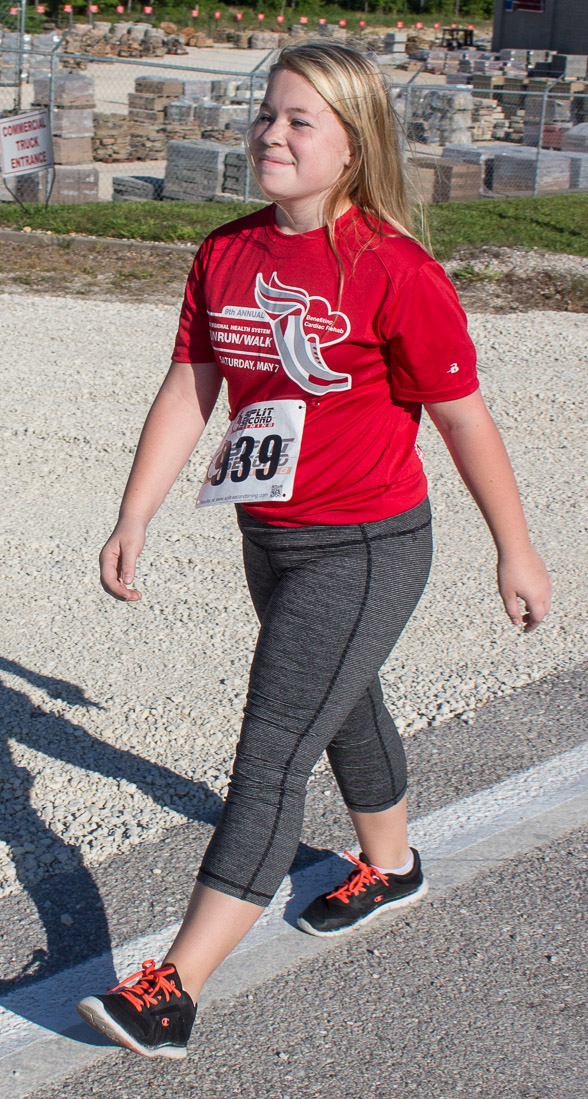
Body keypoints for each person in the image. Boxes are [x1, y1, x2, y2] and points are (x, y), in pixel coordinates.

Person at [76, 42, 552, 1060]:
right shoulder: (227, 251)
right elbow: (192, 384)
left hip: (367, 545)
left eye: (300, 120)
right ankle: (393, 864)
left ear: (353, 145)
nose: (272, 133)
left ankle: (173, 988)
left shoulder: (395, 269)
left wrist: (514, 550)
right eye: (267, 114)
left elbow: (463, 418)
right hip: (271, 536)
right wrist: (135, 512)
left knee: (274, 749)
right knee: (343, 699)